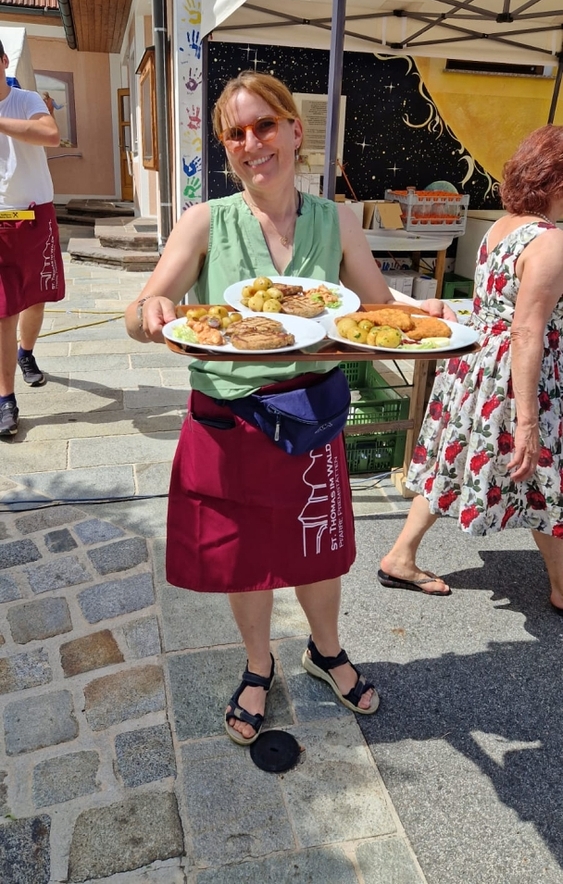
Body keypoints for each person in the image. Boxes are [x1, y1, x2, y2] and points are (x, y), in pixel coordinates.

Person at [125, 71, 452, 744]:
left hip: (309, 413)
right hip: (229, 418)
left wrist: (420, 311)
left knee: (318, 545)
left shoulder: (336, 219)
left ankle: (325, 651)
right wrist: (150, 309)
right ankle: (257, 664)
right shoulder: (205, 221)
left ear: (294, 131)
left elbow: (373, 303)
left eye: (265, 125)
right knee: (243, 556)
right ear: (226, 147)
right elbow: (143, 308)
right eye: (236, 133)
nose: (252, 143)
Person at [378, 124, 563, 614]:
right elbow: (526, 332)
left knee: (453, 460)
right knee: (544, 472)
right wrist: (528, 421)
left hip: (477, 367)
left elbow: (499, 312)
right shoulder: (550, 242)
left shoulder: (503, 227)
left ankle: (401, 556)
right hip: (517, 378)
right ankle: (562, 587)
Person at [0, 40, 64, 437]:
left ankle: (26, 353)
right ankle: (5, 399)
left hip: (35, 213)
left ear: (3, 60)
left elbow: (50, 134)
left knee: (35, 300)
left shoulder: (25, 101)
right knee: (4, 310)